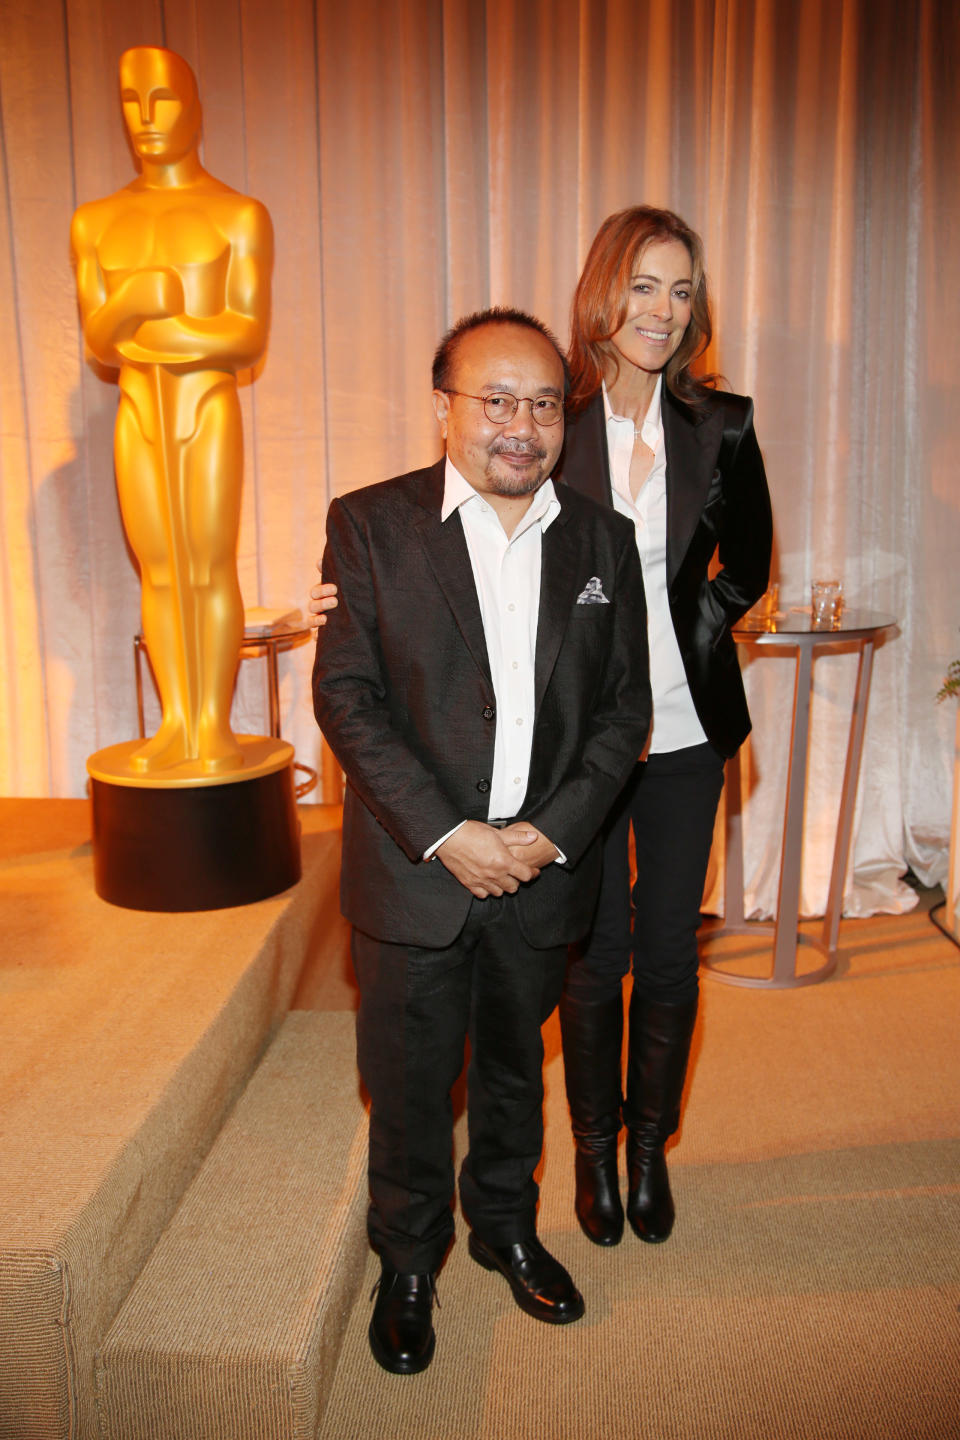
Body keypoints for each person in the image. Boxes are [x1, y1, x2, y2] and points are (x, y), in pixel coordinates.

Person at [312, 308, 651, 1374]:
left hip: (543, 877)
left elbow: (624, 710)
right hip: (419, 875)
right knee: (408, 1081)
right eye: (497, 399)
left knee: (513, 1068)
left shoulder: (604, 540)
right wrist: (447, 833)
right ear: (444, 409)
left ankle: (505, 1223)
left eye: (545, 402)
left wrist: (547, 837)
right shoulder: (369, 526)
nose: (524, 423)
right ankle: (408, 1261)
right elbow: (348, 696)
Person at [554, 206, 772, 1248]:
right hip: (582, 743)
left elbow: (752, 565)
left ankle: (651, 1151)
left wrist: (693, 626)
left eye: (682, 291)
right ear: (605, 292)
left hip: (686, 733)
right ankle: (593, 1151)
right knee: (595, 957)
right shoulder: (552, 421)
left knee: (671, 952)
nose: (664, 310)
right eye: (645, 284)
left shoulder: (720, 425)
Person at [71, 46, 273, 775]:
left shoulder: (237, 215)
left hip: (206, 408)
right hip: (139, 415)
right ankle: (176, 722)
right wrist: (132, 301)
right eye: (131, 100)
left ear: (193, 105)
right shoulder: (96, 221)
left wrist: (153, 329)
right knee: (159, 571)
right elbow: (99, 341)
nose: (146, 117)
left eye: (161, 98)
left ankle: (212, 726)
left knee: (208, 567)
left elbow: (246, 334)